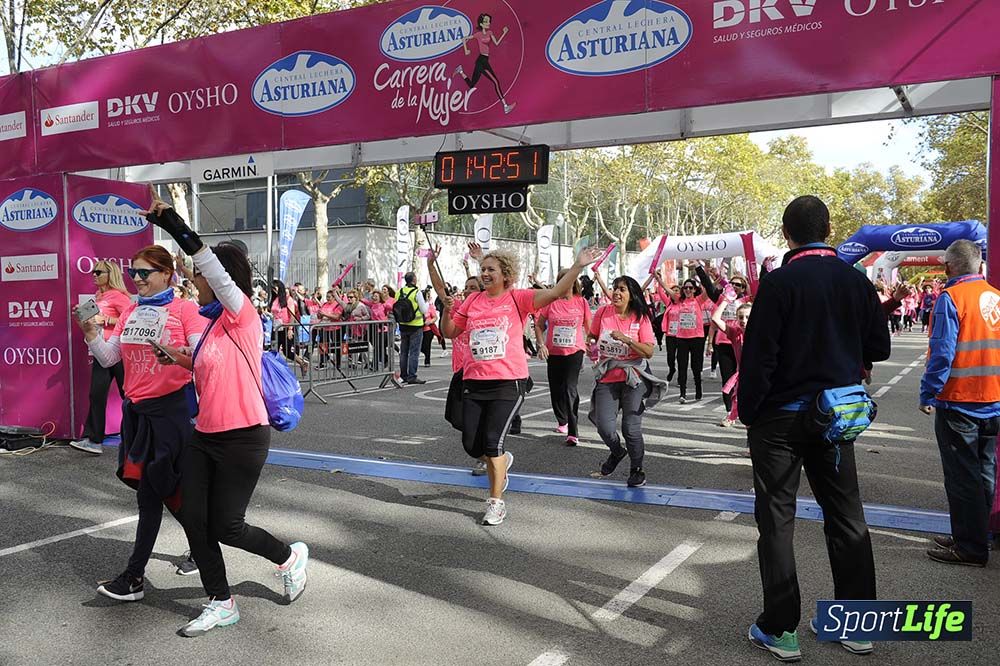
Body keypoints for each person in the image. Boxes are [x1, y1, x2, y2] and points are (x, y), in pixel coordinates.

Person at [145, 201, 309, 637]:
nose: (193, 283)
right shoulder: (214, 326)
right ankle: (221, 601)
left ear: (220, 279)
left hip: (243, 437)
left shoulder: (242, 314)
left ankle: (288, 557)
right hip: (205, 435)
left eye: (198, 277)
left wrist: (173, 224)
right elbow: (207, 370)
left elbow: (207, 264)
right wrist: (176, 357)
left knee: (227, 525)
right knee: (194, 519)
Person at [738, 195, 890, 661]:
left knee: (777, 521)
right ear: (828, 228)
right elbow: (880, 347)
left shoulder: (779, 284)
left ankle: (780, 629)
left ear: (788, 234)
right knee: (846, 517)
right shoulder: (855, 281)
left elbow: (759, 356)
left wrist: (750, 412)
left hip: (780, 419)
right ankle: (858, 626)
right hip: (837, 417)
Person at [74, 245, 206, 603]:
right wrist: (90, 334)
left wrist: (176, 356)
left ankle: (135, 576)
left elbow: (203, 360)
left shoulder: (185, 309)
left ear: (167, 274)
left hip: (172, 414)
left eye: (145, 273)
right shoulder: (131, 309)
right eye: (134, 273)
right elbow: (110, 356)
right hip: (139, 415)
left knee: (156, 494)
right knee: (164, 493)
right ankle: (198, 551)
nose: (137, 279)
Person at [439, 243, 601, 525]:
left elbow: (553, 292)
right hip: (474, 380)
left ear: (506, 274)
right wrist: (446, 310)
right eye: (483, 269)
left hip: (508, 381)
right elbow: (451, 332)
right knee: (470, 444)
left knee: (492, 443)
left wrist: (578, 266)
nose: (485, 274)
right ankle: (502, 460)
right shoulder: (472, 301)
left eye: (491, 270)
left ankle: (495, 502)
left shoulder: (519, 298)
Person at [919, 239, 1000, 568]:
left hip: (959, 400)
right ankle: (975, 536)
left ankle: (969, 547)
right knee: (984, 472)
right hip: (993, 399)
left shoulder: (950, 298)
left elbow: (941, 354)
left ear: (949, 267)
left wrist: (928, 392)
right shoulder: (996, 297)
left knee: (961, 477)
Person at [589, 276, 665, 488]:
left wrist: (627, 339)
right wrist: (591, 345)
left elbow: (649, 352)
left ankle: (637, 469)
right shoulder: (603, 312)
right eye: (614, 288)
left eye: (621, 289)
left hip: (634, 379)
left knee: (630, 428)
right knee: (604, 426)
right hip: (608, 376)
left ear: (631, 295)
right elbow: (592, 336)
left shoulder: (641, 318)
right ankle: (617, 451)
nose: (616, 293)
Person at [70, 261, 133, 455]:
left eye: (98, 272)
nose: (94, 275)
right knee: (96, 394)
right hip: (100, 350)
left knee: (128, 396)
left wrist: (104, 320)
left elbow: (131, 318)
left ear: (110, 274)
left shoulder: (119, 296)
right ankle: (94, 440)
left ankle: (139, 437)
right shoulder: (99, 296)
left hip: (120, 351)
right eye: (93, 272)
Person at [534, 269, 592, 446]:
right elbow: (538, 325)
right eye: (561, 280)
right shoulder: (551, 302)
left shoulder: (581, 302)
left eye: (568, 279)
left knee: (569, 388)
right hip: (554, 352)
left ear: (573, 282)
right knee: (556, 389)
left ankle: (573, 432)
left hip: (574, 351)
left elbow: (589, 328)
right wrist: (541, 344)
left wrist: (591, 346)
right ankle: (562, 420)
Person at [454, 13, 515, 114]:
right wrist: (466, 50)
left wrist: (504, 33)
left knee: (472, 85)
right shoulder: (478, 35)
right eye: (486, 21)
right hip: (481, 61)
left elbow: (497, 43)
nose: (488, 23)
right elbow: (464, 39)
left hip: (483, 60)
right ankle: (505, 106)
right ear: (481, 24)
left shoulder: (490, 32)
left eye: (489, 21)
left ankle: (460, 71)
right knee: (495, 82)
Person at [712, 301, 751, 430]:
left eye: (747, 317)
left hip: (759, 376)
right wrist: (725, 300)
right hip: (742, 376)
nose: (744, 320)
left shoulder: (761, 332)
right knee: (744, 409)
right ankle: (750, 444)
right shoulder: (735, 333)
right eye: (740, 317)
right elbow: (715, 319)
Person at [668, 277, 707, 404]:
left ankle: (698, 389)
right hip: (682, 338)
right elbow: (666, 290)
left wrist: (708, 274)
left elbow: (710, 288)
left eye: (690, 288)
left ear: (695, 290)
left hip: (697, 338)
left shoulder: (699, 300)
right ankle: (683, 393)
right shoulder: (679, 301)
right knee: (682, 366)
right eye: (685, 288)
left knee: (696, 366)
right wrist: (657, 278)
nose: (688, 290)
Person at [397, 271, 430, 385]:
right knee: (414, 352)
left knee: (403, 352)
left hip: (403, 324)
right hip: (415, 325)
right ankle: (412, 376)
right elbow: (424, 310)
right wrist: (427, 302)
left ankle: (403, 375)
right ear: (414, 280)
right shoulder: (417, 292)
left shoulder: (399, 292)